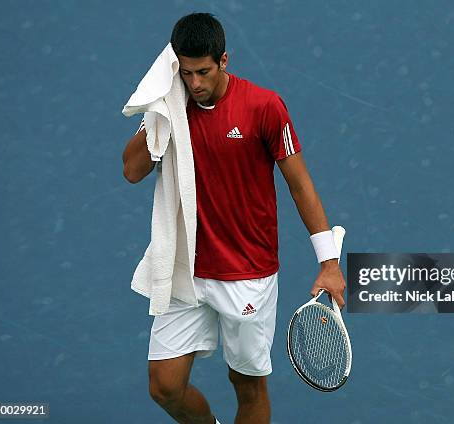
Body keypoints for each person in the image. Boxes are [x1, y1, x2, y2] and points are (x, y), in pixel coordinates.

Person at [122, 12, 345, 424]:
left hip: (248, 275)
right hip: (186, 270)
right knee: (165, 387)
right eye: (185, 73)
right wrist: (158, 116)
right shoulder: (171, 107)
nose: (194, 83)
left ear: (224, 60)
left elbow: (301, 185)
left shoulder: (264, 106)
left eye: (203, 71)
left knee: (247, 386)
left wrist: (329, 263)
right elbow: (132, 171)